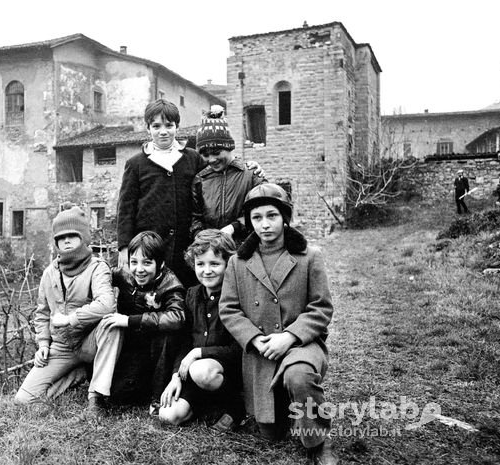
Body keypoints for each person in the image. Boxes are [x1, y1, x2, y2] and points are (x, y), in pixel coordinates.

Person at [219, 184, 338, 465]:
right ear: (249, 221)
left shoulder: (310, 256)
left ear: (285, 217)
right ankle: (283, 412)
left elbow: (321, 308)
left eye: (272, 216)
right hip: (262, 351)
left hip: (302, 344)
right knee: (271, 433)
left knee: (299, 376)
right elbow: (229, 309)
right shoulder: (238, 262)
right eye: (257, 218)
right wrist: (254, 339)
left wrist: (290, 336)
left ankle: (319, 441)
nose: (264, 224)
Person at [116, 99, 265, 287]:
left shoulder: (192, 158)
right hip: (149, 246)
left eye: (169, 125)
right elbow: (126, 208)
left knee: (184, 293)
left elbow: (218, 169)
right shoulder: (136, 164)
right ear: (148, 129)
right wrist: (124, 248)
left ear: (177, 127)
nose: (163, 131)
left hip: (183, 245)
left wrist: (249, 166)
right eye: (156, 126)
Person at [15, 206, 123, 416]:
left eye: (72, 236)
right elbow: (42, 313)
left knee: (112, 325)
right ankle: (78, 374)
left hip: (90, 341)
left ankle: (96, 397)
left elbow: (106, 303)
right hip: (62, 347)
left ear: (83, 237)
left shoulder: (97, 267)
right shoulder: (49, 273)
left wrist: (71, 319)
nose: (66, 241)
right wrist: (43, 344)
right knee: (23, 400)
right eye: (61, 237)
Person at [158, 229, 244, 431]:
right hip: (194, 373)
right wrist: (176, 376)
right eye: (200, 264)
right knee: (167, 416)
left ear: (228, 264)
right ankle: (204, 404)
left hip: (224, 372)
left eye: (215, 264)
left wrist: (199, 353)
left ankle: (236, 408)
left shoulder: (236, 297)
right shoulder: (192, 295)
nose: (207, 271)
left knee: (202, 371)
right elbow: (184, 340)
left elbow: (237, 349)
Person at [102, 231, 186, 410]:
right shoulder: (124, 275)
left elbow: (177, 317)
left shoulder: (171, 285)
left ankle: (158, 395)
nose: (139, 269)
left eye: (147, 263)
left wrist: (130, 321)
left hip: (157, 351)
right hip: (132, 346)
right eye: (134, 262)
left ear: (160, 263)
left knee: (167, 335)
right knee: (118, 396)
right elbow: (100, 274)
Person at [191, 106, 266, 244]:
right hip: (212, 253)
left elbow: (264, 211)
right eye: (206, 155)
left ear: (229, 147)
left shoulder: (251, 175)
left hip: (246, 252)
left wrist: (234, 228)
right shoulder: (200, 180)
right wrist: (202, 236)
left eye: (217, 152)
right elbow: (195, 218)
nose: (212, 159)